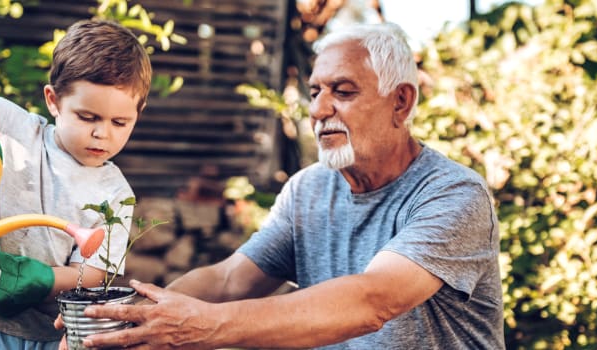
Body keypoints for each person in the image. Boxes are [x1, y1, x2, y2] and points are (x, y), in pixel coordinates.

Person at [74, 22, 505, 349]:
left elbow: (372, 302)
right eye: (314, 91)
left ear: (401, 102)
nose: (318, 109)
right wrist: (128, 320)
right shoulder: (310, 190)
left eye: (343, 91)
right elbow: (229, 282)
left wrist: (201, 327)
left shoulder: (453, 194)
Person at [0, 19, 152, 349]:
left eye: (119, 122)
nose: (101, 133)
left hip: (46, 330)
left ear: (139, 112)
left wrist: (30, 279)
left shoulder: (116, 195)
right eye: (87, 117)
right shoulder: (19, 129)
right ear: (53, 101)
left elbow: (93, 272)